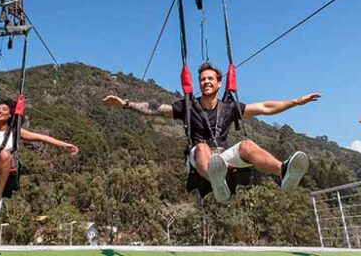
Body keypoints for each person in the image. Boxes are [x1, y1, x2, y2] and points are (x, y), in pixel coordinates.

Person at [102, 62, 321, 202]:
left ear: (218, 83)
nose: (206, 82)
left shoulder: (229, 108)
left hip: (222, 160)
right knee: (203, 146)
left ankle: (283, 172)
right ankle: (216, 179)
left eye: (210, 79)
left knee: (247, 145)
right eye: (202, 80)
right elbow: (155, 109)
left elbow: (264, 108)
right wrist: (125, 104)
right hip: (199, 161)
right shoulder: (187, 107)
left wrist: (296, 102)